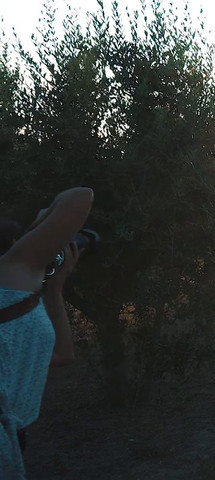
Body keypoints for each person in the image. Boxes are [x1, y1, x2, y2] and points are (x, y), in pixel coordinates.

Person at [0, 187, 94, 478]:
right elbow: (80, 196)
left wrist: (54, 288)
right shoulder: (9, 269)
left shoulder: (18, 295)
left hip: (15, 440)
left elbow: (62, 355)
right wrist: (42, 221)